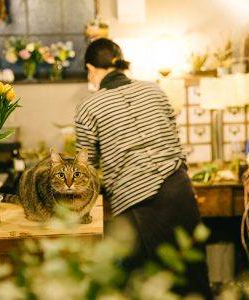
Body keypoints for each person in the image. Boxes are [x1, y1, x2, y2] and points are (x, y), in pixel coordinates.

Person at [74, 38, 212, 299]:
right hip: (179, 189)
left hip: (137, 201)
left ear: (91, 69)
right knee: (194, 277)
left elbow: (86, 169)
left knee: (148, 286)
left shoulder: (88, 107)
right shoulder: (155, 90)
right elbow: (176, 141)